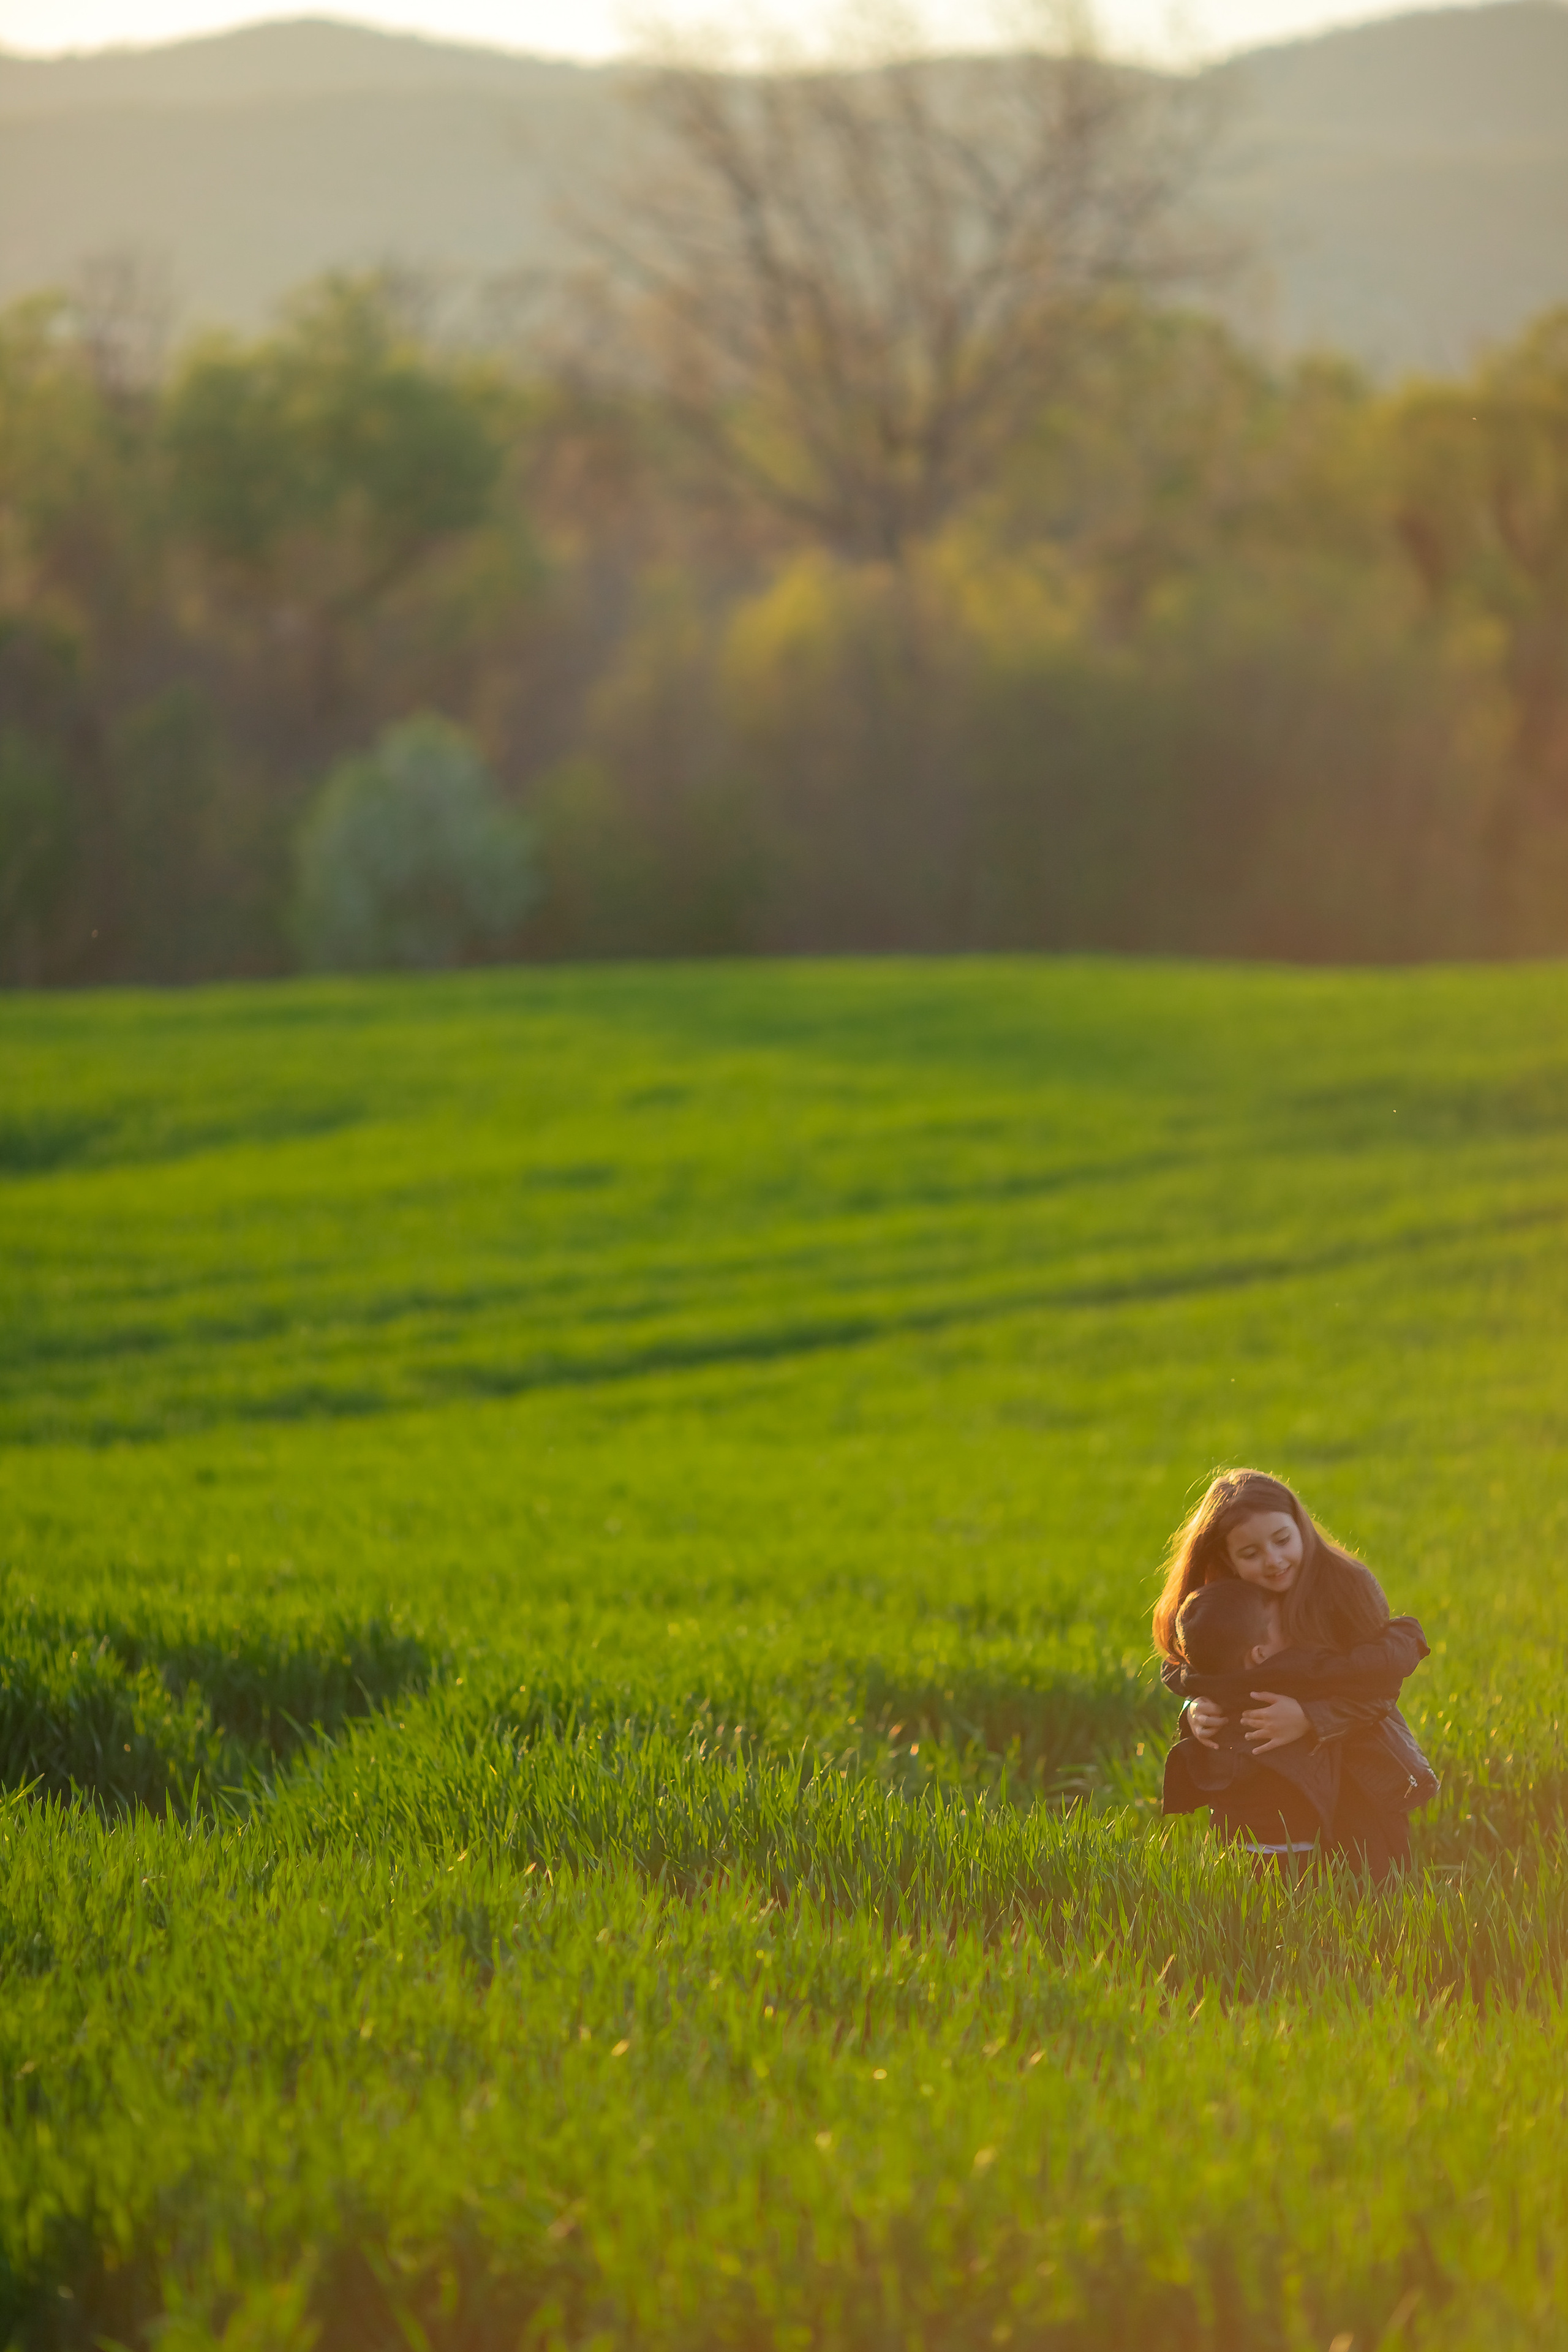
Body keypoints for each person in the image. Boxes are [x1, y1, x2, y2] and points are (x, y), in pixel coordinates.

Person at [1152, 1468, 1439, 1878]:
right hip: (1274, 1782)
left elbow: (1378, 1688)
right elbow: (1190, 1666)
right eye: (1250, 1555)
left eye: (1283, 1540)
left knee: (1368, 1883)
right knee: (1268, 1885)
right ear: (1226, 1560)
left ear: (1300, 1526)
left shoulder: (1347, 1587)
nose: (1273, 1561)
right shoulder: (1228, 1601)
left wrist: (1309, 1719)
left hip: (1358, 1761)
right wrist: (1195, 1706)